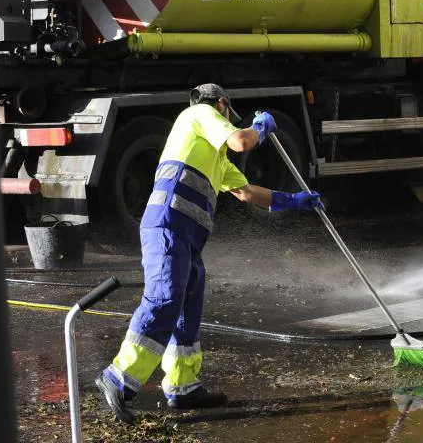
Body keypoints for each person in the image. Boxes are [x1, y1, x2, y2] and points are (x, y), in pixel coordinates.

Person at [95, 83, 323, 423]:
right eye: (229, 113)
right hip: (167, 228)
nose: (229, 119)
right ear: (221, 104)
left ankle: (183, 387)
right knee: (164, 298)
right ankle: (118, 378)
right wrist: (261, 125)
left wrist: (293, 201)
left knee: (187, 307)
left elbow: (247, 193)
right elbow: (242, 141)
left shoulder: (214, 158)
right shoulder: (197, 113)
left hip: (186, 239)